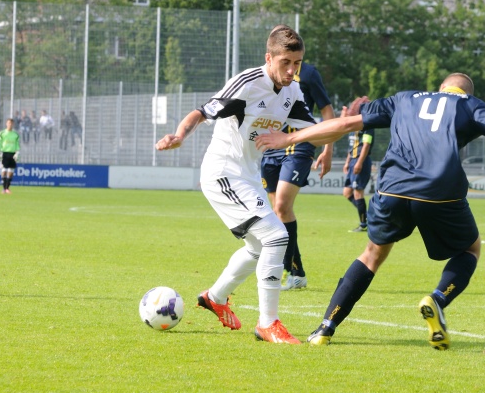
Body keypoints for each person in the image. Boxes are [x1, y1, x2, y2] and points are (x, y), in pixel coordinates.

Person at [255, 72, 485, 349]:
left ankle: (326, 327)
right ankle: (437, 299)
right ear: (464, 91)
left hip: (391, 189)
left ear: (442, 87)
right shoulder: (471, 105)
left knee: (373, 253)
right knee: (470, 249)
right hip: (439, 192)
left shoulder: (404, 99)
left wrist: (289, 139)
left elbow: (345, 125)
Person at [156, 25, 316, 345]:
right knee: (276, 236)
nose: (291, 70)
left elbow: (313, 129)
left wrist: (334, 133)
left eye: (297, 63)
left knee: (259, 248)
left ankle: (215, 297)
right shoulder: (248, 84)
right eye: (285, 62)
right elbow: (202, 112)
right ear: (268, 58)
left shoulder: (292, 92)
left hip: (248, 176)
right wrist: (179, 135)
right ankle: (268, 323)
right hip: (223, 172)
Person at [261, 56, 335, 291]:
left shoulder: (310, 74)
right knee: (278, 213)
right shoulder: (267, 72)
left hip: (299, 143)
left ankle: (285, 270)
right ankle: (296, 272)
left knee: (282, 206)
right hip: (272, 145)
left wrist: (328, 148)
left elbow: (326, 109)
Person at [343, 125, 374, 232]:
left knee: (358, 193)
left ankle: (363, 224)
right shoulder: (352, 127)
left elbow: (366, 145)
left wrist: (359, 162)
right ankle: (370, 216)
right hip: (352, 161)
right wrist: (347, 162)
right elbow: (351, 147)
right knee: (347, 192)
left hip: (361, 160)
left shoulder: (367, 126)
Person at [0, 118, 21, 194]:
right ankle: (4, 188)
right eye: (8, 123)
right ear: (6, 124)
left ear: (13, 124)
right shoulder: (2, 133)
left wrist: (18, 152)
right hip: (4, 153)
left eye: (11, 123)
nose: (10, 124)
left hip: (12, 153)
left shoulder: (15, 134)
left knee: (11, 171)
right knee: (4, 170)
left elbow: (17, 144)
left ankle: (7, 188)